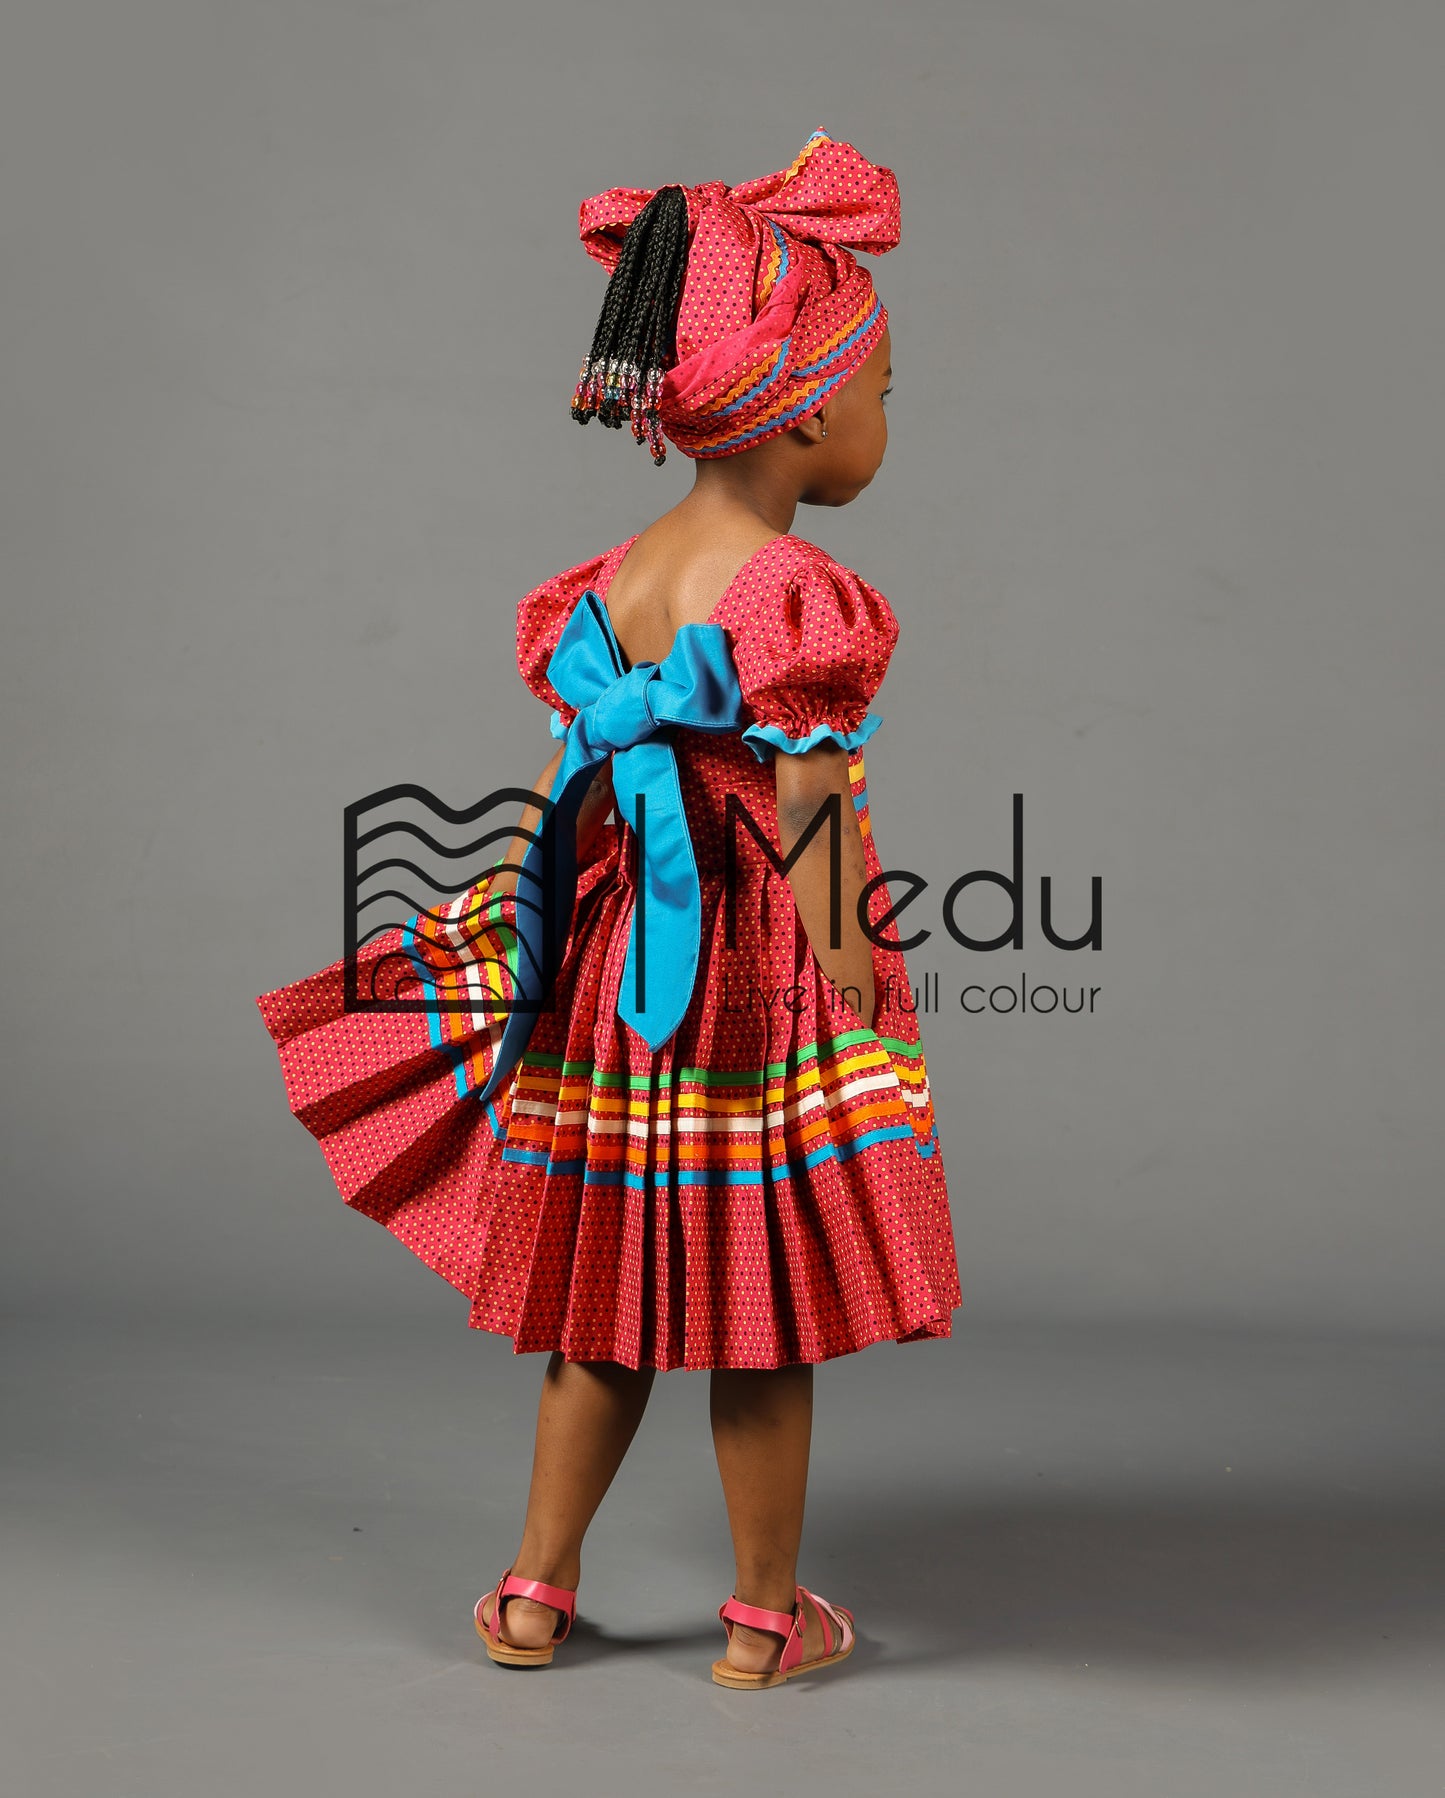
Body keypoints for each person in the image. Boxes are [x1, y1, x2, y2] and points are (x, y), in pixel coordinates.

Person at [254, 126, 962, 1690]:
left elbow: (572, 783)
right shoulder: (793, 595)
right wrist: (862, 1005)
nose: (886, 418)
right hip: (741, 989)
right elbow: (811, 816)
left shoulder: (616, 575)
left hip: (614, 972)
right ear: (804, 407)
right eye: (881, 389)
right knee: (757, 1300)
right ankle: (765, 1617)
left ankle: (532, 1587)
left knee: (607, 1293)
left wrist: (533, 929)